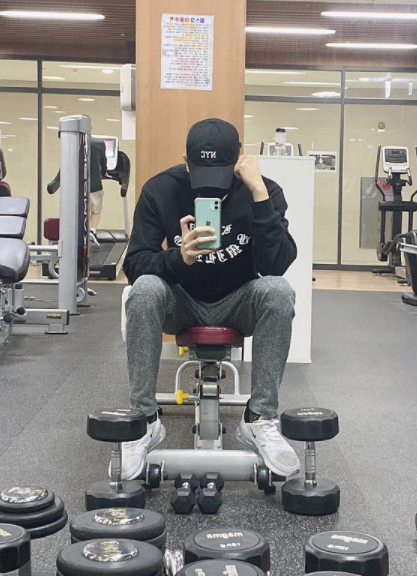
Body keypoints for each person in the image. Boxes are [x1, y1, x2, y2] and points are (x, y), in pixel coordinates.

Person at [120, 117, 300, 481]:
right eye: (201, 173)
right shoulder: (161, 190)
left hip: (238, 303)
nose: (210, 187)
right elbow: (135, 264)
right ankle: (144, 420)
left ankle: (259, 418)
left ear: (238, 161)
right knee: (144, 290)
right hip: (182, 302)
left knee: (279, 292)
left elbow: (276, 265)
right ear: (185, 161)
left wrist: (259, 196)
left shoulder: (263, 191)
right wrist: (179, 257)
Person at [89, 137, 107, 247]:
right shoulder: (99, 143)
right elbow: (103, 162)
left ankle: (82, 231)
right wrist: (103, 173)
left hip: (77, 185)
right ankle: (93, 230)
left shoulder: (73, 141)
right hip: (95, 184)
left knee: (81, 210)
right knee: (96, 210)